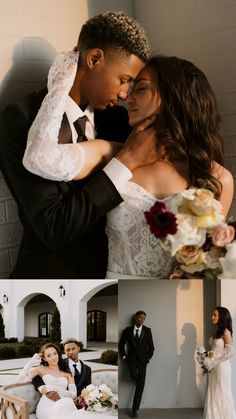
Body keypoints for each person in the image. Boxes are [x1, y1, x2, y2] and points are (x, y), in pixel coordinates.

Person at [24, 54, 234, 279]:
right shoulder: (111, 154)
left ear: (174, 96)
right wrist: (60, 86)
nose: (127, 97)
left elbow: (209, 265)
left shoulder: (217, 179)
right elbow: (40, 157)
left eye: (140, 89)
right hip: (114, 293)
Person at [0, 11, 158, 278]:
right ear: (94, 58)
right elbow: (53, 229)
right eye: (124, 80)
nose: (124, 95)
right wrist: (124, 162)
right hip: (51, 280)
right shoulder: (22, 119)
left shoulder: (121, 121)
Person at [119, 311, 154, 418]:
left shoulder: (147, 330)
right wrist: (124, 357)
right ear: (135, 318)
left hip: (143, 362)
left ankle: (135, 410)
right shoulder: (128, 330)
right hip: (131, 361)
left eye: (144, 318)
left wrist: (147, 359)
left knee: (141, 385)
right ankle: (135, 376)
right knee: (134, 376)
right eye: (140, 318)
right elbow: (121, 344)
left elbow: (151, 348)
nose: (142, 320)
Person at [203, 306, 236, 419]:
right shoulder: (216, 332)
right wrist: (206, 358)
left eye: (215, 315)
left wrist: (212, 362)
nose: (212, 317)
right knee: (213, 393)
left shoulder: (226, 332)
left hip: (222, 368)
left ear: (221, 317)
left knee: (222, 394)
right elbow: (214, 351)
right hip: (213, 368)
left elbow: (230, 353)